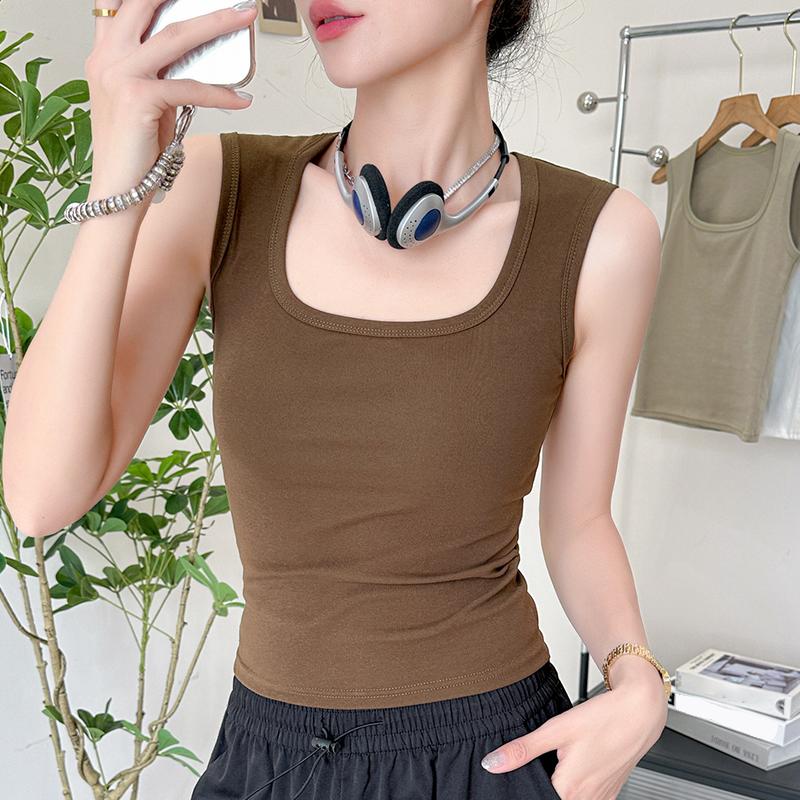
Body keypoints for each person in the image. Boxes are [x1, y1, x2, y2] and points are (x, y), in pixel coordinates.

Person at [2, 0, 668, 798]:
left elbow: (579, 520)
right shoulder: (217, 186)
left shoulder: (602, 236)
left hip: (490, 756)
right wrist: (119, 173)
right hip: (267, 755)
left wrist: (639, 678)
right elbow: (40, 497)